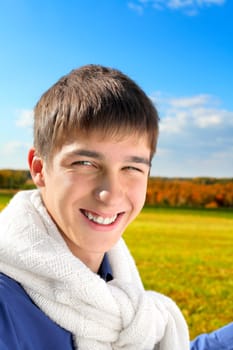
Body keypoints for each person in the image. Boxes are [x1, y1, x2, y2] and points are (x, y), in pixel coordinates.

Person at [0, 64, 231, 350]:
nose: (109, 194)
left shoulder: (113, 287)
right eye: (85, 163)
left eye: (131, 167)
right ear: (39, 168)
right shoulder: (6, 309)